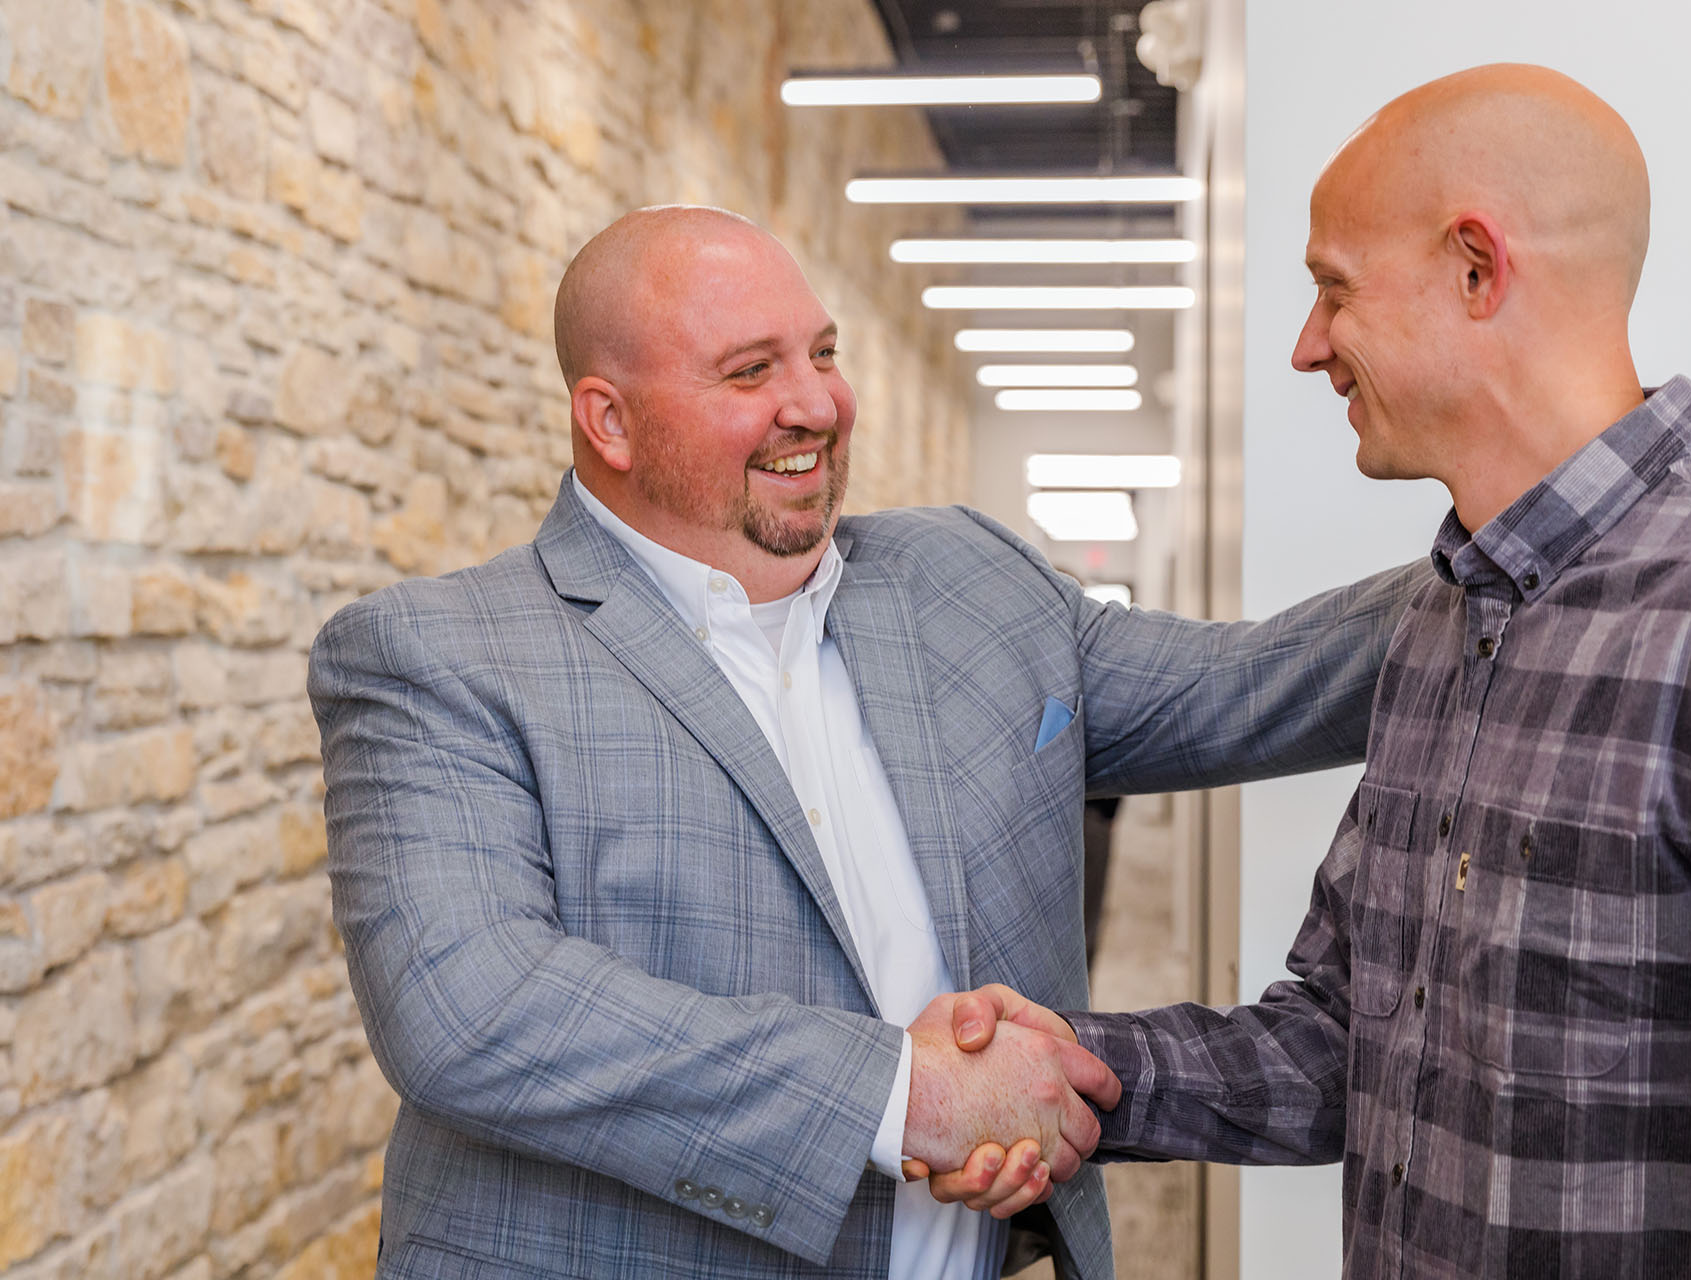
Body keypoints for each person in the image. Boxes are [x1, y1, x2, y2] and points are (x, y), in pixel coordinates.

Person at [307, 205, 1425, 1279]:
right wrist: (903, 1091)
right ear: (610, 420)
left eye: (824, 352)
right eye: (752, 372)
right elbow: (473, 1006)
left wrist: (1533, 541)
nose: (818, 404)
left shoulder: (971, 576)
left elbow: (1259, 684)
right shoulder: (438, 654)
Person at [936, 64, 1691, 1276]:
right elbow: (1355, 1041)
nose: (1308, 349)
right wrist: (1077, 1072)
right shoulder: (1442, 621)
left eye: (1331, 291)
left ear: (1476, 268)